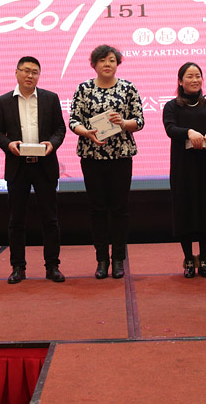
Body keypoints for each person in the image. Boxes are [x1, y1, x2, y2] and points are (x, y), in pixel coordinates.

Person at [69, 45, 144, 280]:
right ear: (94, 64)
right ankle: (101, 259)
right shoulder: (84, 89)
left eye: (111, 60)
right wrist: (86, 132)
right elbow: (73, 120)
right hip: (92, 157)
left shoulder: (128, 88)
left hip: (121, 156)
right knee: (98, 209)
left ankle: (119, 259)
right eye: (102, 60)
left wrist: (123, 123)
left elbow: (139, 121)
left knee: (120, 209)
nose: (107, 64)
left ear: (117, 63)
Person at [0, 56, 67, 283]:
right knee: (16, 220)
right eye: (25, 70)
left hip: (44, 166)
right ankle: (18, 267)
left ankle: (52, 266)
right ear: (16, 73)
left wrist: (52, 144)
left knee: (50, 219)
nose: (30, 75)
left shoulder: (50, 98)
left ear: (39, 75)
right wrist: (9, 145)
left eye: (34, 72)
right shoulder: (4, 100)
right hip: (18, 167)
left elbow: (60, 129)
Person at [163, 62, 206, 278]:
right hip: (183, 167)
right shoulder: (172, 106)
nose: (195, 80)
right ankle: (188, 258)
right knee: (185, 210)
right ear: (180, 81)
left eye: (198, 75)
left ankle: (205, 258)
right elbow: (170, 128)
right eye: (189, 76)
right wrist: (189, 132)